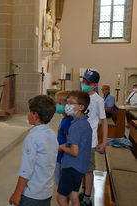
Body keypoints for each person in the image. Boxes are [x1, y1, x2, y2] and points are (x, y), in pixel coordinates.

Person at [9, 95, 58, 206]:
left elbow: (26, 170)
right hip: (47, 191)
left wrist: (17, 193)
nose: (27, 113)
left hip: (32, 194)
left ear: (35, 115)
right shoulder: (52, 133)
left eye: (29, 111)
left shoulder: (32, 137)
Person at [57, 91, 92, 206]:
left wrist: (62, 147)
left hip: (72, 167)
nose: (67, 106)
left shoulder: (76, 126)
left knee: (61, 197)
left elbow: (74, 151)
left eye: (71, 103)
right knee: (74, 196)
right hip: (80, 167)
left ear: (81, 107)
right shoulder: (84, 123)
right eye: (67, 103)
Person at [79, 69, 108, 206]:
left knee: (89, 170)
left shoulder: (98, 100)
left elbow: (104, 121)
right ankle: (84, 189)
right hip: (79, 139)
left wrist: (104, 141)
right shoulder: (80, 96)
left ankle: (87, 197)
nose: (84, 83)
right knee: (81, 168)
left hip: (90, 140)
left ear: (95, 84)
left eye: (88, 82)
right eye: (83, 81)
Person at [55, 91, 73, 185]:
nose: (57, 106)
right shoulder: (65, 119)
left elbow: (69, 143)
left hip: (63, 159)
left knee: (62, 189)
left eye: (59, 103)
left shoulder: (69, 121)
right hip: (60, 157)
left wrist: (64, 162)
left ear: (67, 105)